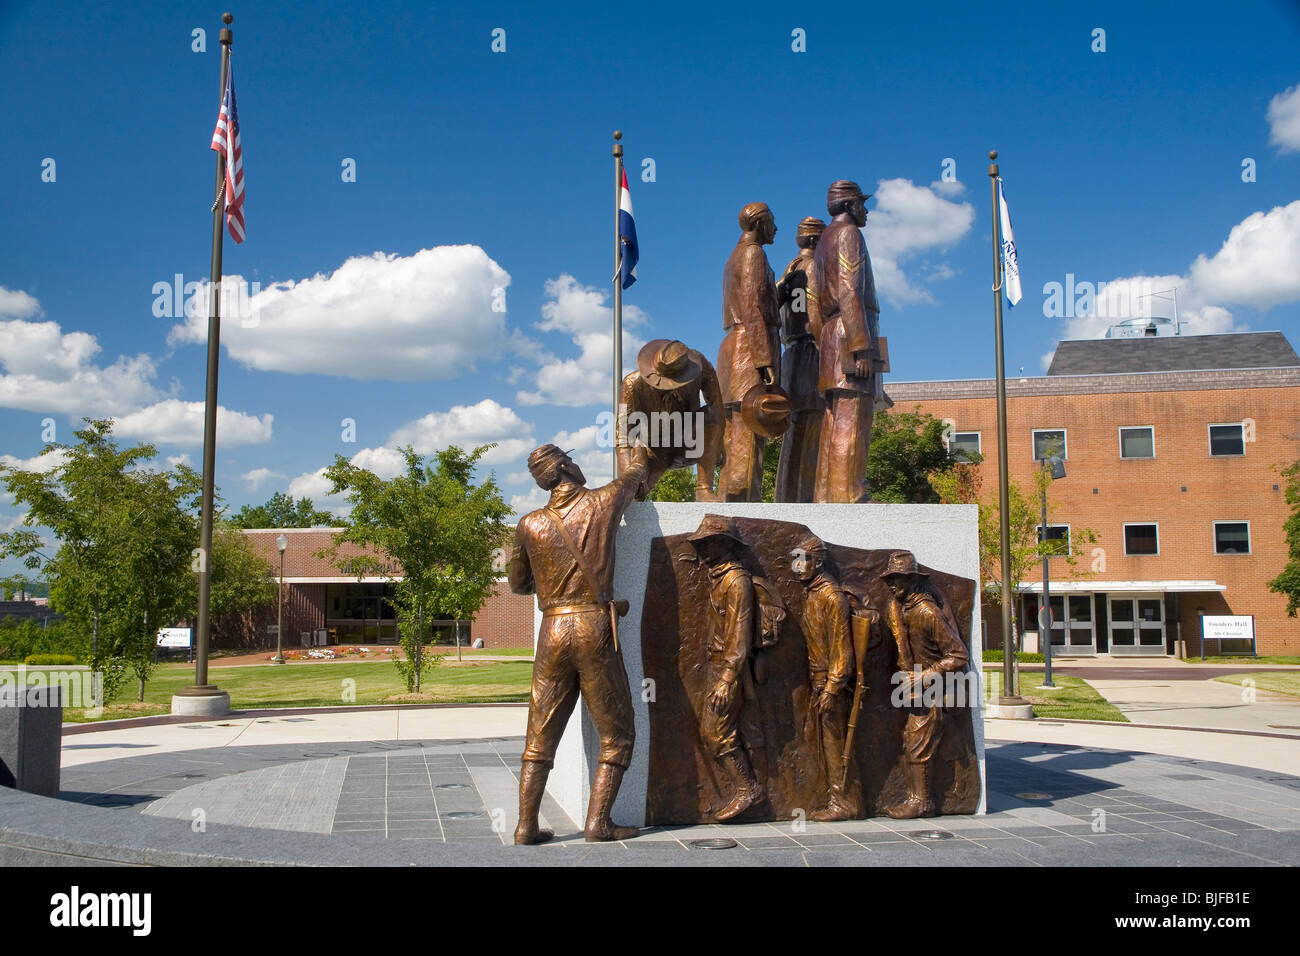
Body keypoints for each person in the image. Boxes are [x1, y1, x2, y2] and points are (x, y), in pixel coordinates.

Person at [507, 443, 648, 844]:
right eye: (573, 459)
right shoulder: (603, 502)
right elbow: (635, 475)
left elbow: (518, 585)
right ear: (566, 466)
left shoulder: (529, 524)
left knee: (539, 734)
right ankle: (598, 822)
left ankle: (525, 825)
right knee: (617, 733)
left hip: (552, 629)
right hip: (593, 625)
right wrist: (634, 450)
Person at [688, 515, 767, 820]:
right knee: (721, 731)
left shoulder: (736, 581)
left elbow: (739, 636)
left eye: (708, 544)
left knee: (716, 733)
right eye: (700, 545)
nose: (703, 550)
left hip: (729, 669)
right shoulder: (719, 576)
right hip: (717, 666)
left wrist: (726, 679)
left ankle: (749, 790)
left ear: (725, 545)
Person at [880, 550, 969, 819]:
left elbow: (958, 655)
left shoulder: (926, 611)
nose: (893, 585)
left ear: (912, 580)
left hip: (934, 692)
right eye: (890, 580)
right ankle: (922, 798)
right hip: (916, 692)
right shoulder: (903, 608)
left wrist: (924, 674)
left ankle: (921, 802)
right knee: (913, 742)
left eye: (899, 579)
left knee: (917, 745)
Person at [812, 181, 881, 503]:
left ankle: (828, 496)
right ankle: (849, 495)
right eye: (862, 204)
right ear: (850, 205)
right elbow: (849, 289)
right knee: (852, 422)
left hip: (830, 335)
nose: (866, 210)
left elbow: (814, 301)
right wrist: (860, 345)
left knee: (833, 420)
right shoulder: (849, 234)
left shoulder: (823, 240)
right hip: (848, 333)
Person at [717, 202, 782, 501]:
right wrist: (764, 358)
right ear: (759, 223)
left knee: (734, 436)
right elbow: (752, 307)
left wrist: (780, 287)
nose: (776, 229)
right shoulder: (754, 253)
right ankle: (743, 507)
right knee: (750, 430)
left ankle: (729, 502)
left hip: (733, 347)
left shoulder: (734, 256)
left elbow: (756, 300)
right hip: (749, 349)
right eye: (772, 222)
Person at [791, 534, 857, 820]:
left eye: (801, 560)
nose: (797, 566)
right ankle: (834, 797)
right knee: (824, 742)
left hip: (832, 686)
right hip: (818, 682)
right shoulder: (814, 594)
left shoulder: (832, 597)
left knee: (836, 744)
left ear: (817, 562)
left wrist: (831, 689)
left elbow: (843, 651)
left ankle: (846, 802)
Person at [617, 338, 723, 500]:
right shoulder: (632, 385)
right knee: (635, 496)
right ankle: (634, 492)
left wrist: (719, 445)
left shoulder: (700, 366)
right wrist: (628, 483)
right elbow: (623, 439)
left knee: (711, 415)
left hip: (688, 443)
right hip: (653, 450)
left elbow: (717, 406)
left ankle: (704, 489)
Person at [774, 217, 826, 502]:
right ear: (817, 240)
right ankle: (803, 500)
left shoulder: (789, 271)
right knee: (810, 430)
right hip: (810, 354)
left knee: (795, 429)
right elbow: (815, 313)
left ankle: (787, 497)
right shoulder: (814, 268)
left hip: (790, 354)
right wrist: (827, 350)